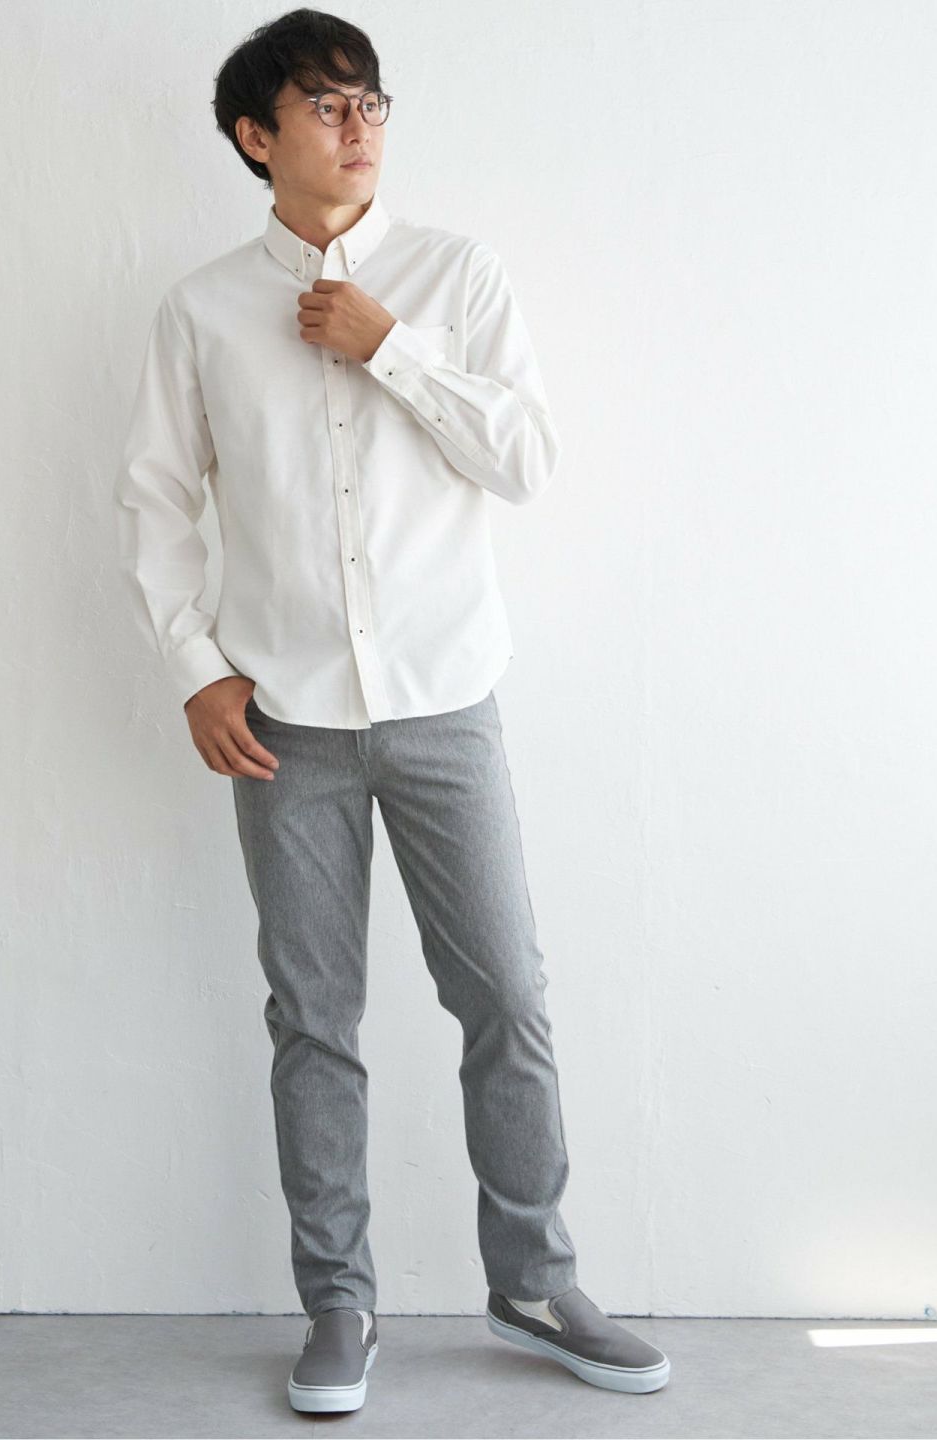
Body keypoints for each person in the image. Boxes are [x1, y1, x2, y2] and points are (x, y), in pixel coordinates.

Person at [113, 6, 670, 1414]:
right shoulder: (200, 311)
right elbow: (157, 502)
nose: (359, 126)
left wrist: (391, 347)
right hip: (283, 717)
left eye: (371, 101)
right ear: (258, 137)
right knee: (314, 1016)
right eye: (325, 105)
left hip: (443, 697)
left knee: (507, 995)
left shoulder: (454, 276)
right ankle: (340, 1306)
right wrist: (195, 666)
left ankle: (535, 1281)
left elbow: (525, 459)